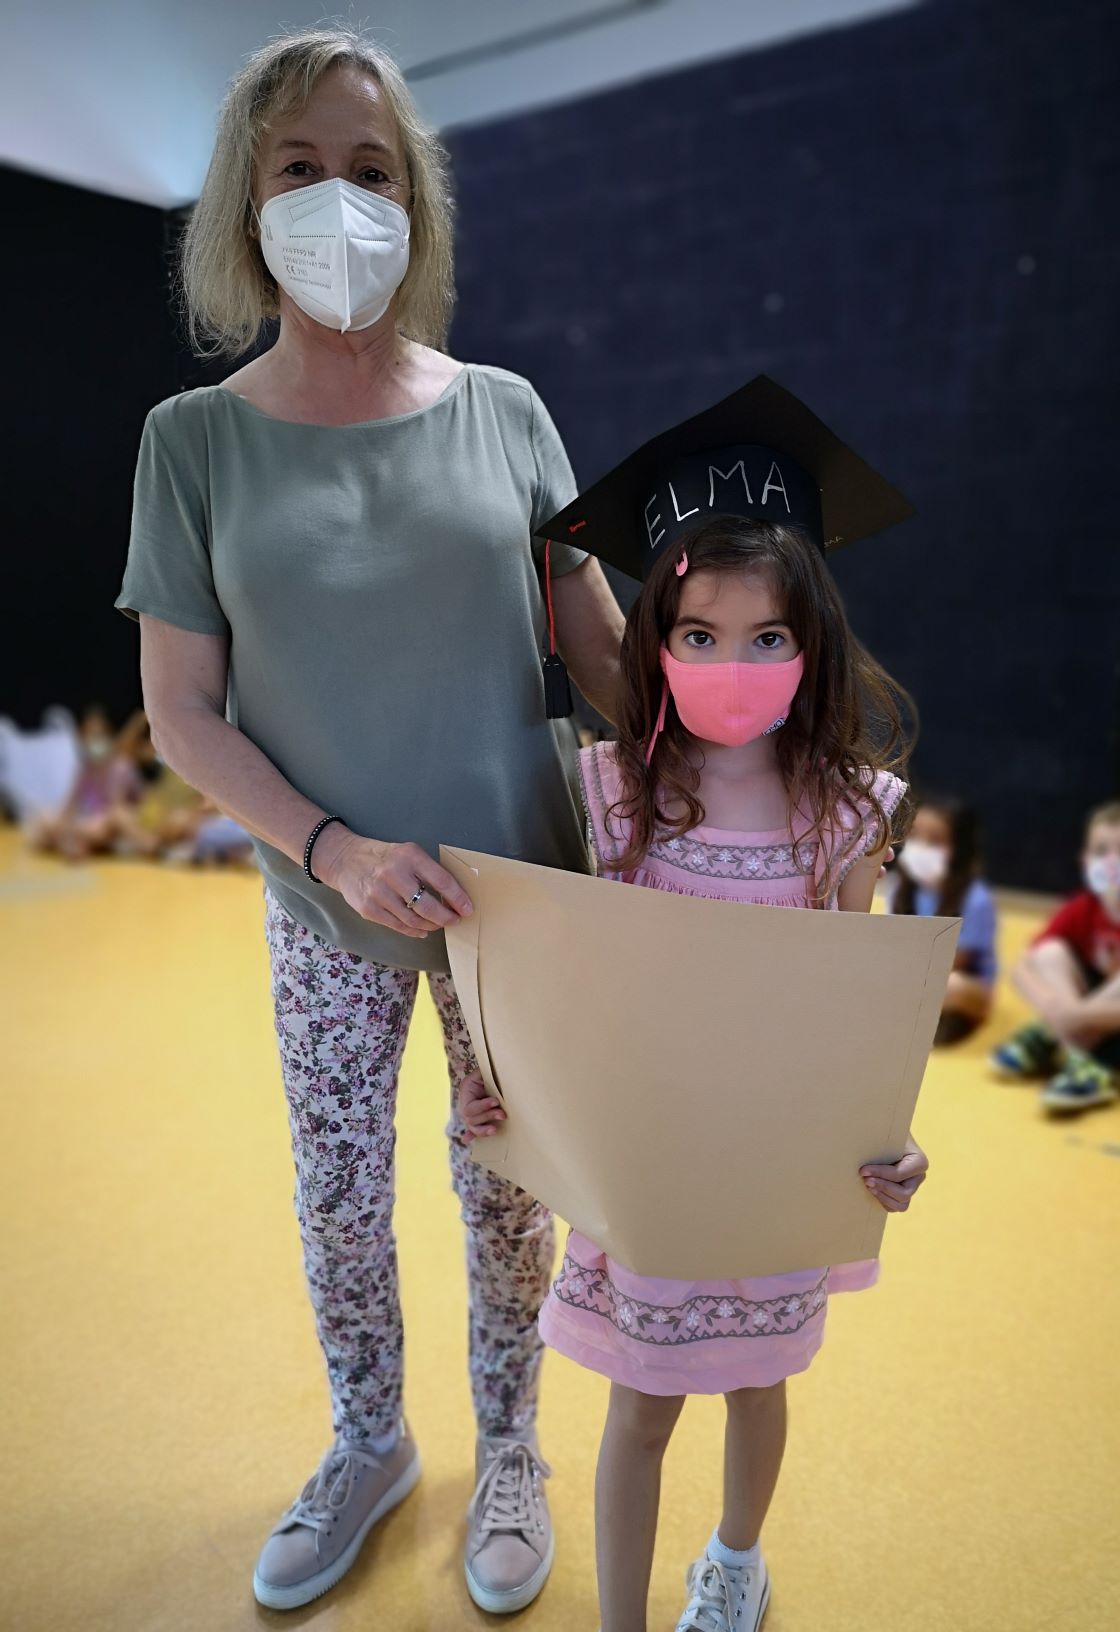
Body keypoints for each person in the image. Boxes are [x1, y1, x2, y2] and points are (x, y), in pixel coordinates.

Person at [114, 26, 624, 1616]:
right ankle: (368, 1440)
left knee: (508, 1192)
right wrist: (332, 849)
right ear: (244, 198)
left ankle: (512, 1447)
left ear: (418, 202)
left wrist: (753, 688)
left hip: (515, 901)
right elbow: (183, 713)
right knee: (338, 1196)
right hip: (326, 899)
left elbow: (604, 653)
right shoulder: (192, 442)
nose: (341, 198)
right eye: (301, 167)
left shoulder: (508, 412)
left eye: (373, 169)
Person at [459, 377, 931, 1632]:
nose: (734, 664)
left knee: (759, 1386)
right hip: (654, 1169)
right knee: (642, 1406)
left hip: (774, 1170)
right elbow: (565, 982)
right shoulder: (615, 795)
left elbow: (860, 1008)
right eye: (701, 635)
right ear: (655, 640)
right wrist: (503, 1088)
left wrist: (893, 1139)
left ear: (814, 640)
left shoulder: (847, 814)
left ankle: (734, 1561)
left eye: (769, 637)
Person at [994, 801, 1120, 1112]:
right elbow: (1022, 967)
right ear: (1085, 860)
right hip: (1091, 1021)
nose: (1113, 862)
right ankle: (1079, 1054)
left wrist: (1078, 1016)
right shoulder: (1082, 906)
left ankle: (1058, 1039)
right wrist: (1054, 1009)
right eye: (1101, 851)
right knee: (1049, 952)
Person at [891, 795, 997, 1043]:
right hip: (912, 975)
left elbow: (955, 963)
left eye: (936, 841)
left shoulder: (976, 899)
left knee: (951, 985)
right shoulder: (901, 887)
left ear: (959, 850)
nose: (922, 846)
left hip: (959, 984)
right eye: (915, 835)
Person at [29, 706, 151, 860]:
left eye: (99, 735)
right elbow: (69, 806)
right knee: (44, 817)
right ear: (82, 738)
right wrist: (60, 822)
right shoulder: (85, 768)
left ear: (108, 736)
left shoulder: (120, 766)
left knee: (109, 821)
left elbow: (116, 808)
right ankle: (73, 841)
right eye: (90, 735)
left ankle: (73, 841)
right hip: (88, 821)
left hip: (110, 822)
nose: (95, 741)